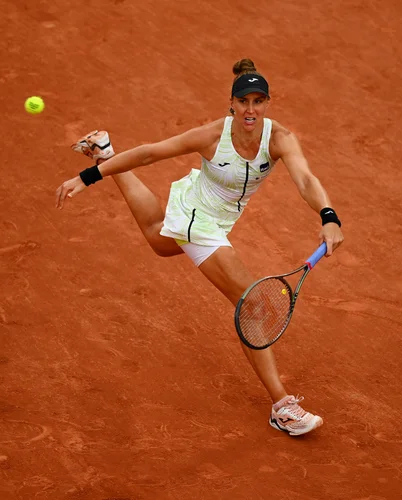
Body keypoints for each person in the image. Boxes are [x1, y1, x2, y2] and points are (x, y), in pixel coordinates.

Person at [55, 59, 344, 436]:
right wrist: (87, 178)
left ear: (268, 103)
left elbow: (305, 178)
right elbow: (150, 153)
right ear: (232, 103)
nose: (251, 109)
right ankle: (281, 405)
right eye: (244, 102)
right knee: (251, 304)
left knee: (157, 237)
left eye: (258, 101)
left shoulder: (280, 139)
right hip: (199, 220)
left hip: (217, 214)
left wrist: (328, 215)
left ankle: (105, 152)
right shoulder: (211, 135)